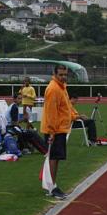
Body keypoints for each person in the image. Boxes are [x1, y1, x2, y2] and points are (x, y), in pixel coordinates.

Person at [40, 66, 72, 200]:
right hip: (54, 130)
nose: (63, 77)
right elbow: (51, 112)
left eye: (65, 74)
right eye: (60, 74)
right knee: (53, 158)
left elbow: (66, 107)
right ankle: (51, 187)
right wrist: (52, 132)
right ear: (54, 74)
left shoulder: (62, 87)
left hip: (60, 128)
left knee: (56, 158)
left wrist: (75, 116)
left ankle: (53, 184)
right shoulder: (53, 89)